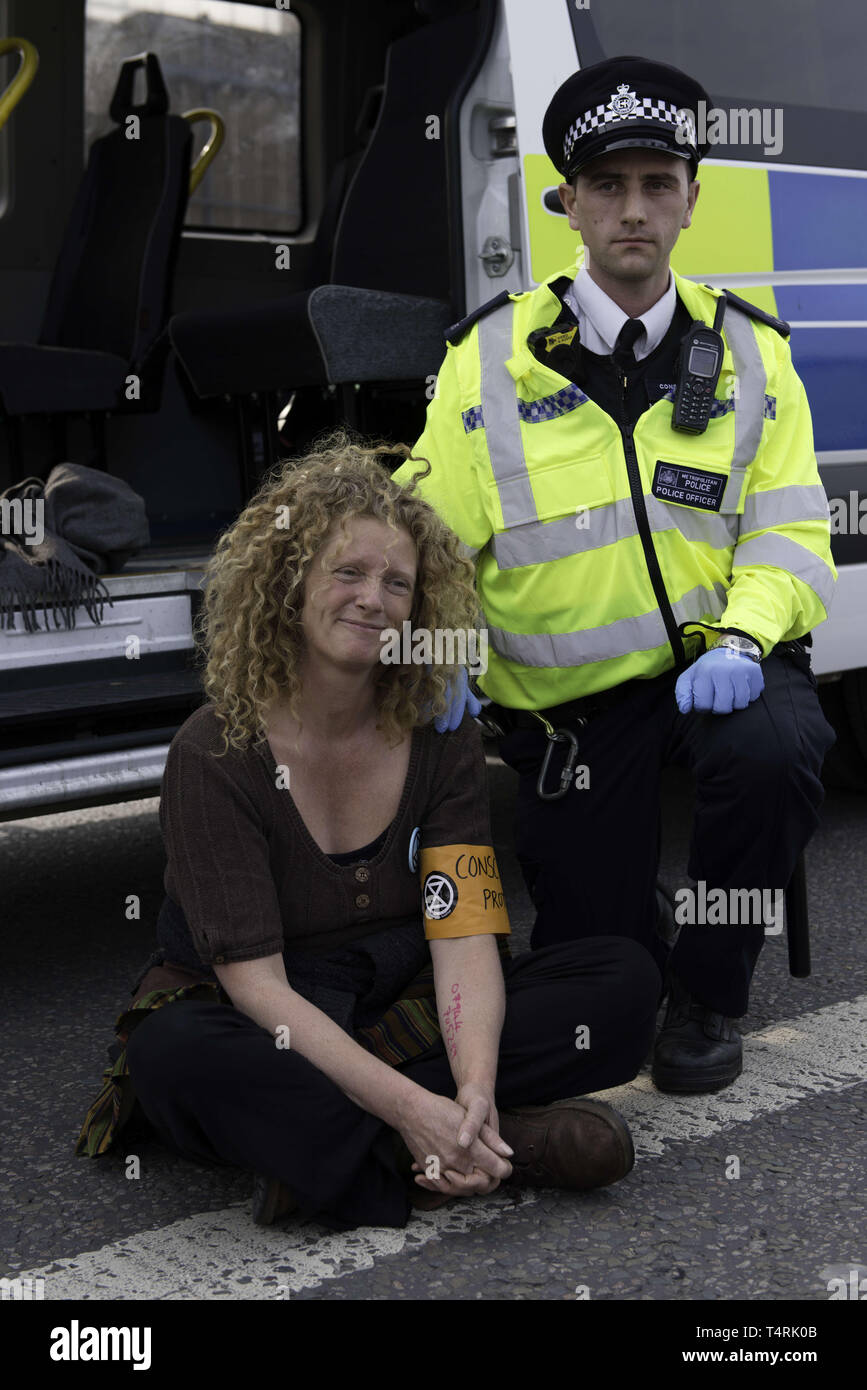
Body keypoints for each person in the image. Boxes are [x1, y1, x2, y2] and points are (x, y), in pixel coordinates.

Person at [75, 432, 660, 1232]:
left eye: (396, 583)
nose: (372, 599)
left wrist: (472, 1087)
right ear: (290, 583)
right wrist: (415, 1106)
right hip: (267, 1014)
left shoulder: (439, 733)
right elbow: (257, 988)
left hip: (400, 1000)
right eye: (346, 572)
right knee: (174, 1054)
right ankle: (481, 1148)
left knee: (622, 981)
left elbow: (464, 935)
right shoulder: (215, 752)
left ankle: (378, 1148)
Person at [392, 56, 837, 1095]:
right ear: (567, 203)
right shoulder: (488, 357)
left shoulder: (752, 353)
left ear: (690, 199)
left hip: (715, 671)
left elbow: (789, 534)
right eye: (606, 185)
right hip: (571, 715)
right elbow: (425, 538)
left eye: (655, 184)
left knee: (773, 749)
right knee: (600, 996)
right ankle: (639, 932)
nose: (632, 209)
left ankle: (712, 991)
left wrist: (744, 638)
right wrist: (438, 645)